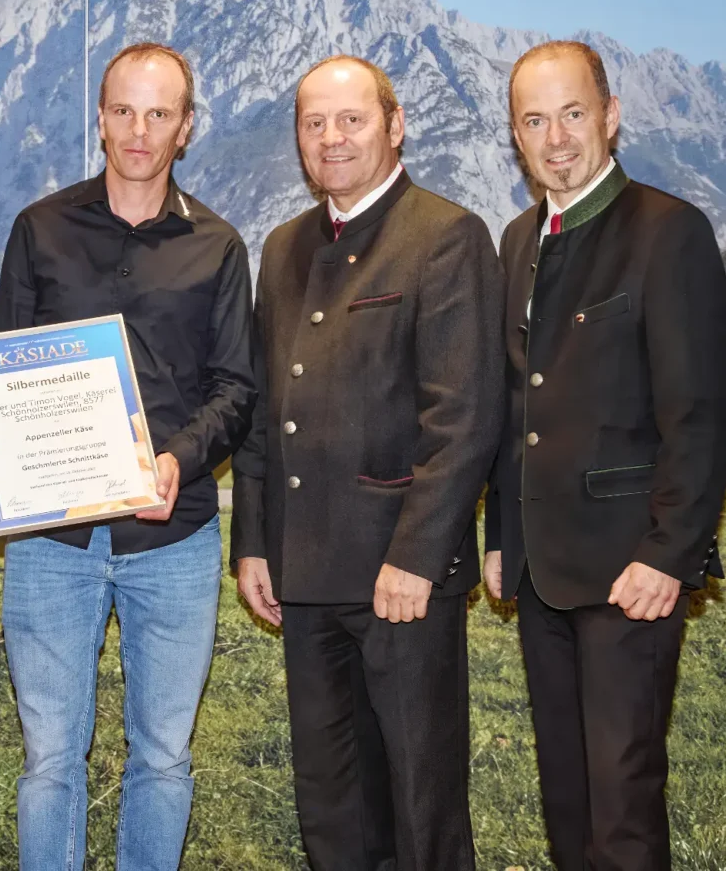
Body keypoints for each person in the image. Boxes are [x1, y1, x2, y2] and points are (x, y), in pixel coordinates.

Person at [0, 42, 254, 871]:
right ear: (101, 117)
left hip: (173, 539)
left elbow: (236, 389)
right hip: (53, 543)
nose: (139, 130)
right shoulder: (41, 228)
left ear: (185, 127)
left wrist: (178, 460)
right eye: (123, 110)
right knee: (49, 761)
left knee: (163, 757)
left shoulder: (219, 246)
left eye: (159, 113)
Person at [232, 55, 502, 870]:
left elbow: (464, 418)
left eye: (350, 120)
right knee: (331, 801)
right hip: (304, 576)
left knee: (421, 800)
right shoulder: (281, 248)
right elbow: (261, 411)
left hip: (401, 580)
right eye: (313, 124)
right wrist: (252, 540)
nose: (332, 138)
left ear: (395, 123)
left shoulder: (446, 235)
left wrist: (416, 558)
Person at [484, 40, 726, 871]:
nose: (556, 138)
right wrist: (501, 541)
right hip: (542, 573)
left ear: (611, 115)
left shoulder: (670, 232)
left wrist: (670, 555)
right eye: (534, 120)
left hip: (632, 573)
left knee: (623, 803)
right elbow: (518, 405)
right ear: (516, 136)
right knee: (567, 799)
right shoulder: (519, 239)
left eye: (573, 113)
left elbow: (698, 416)